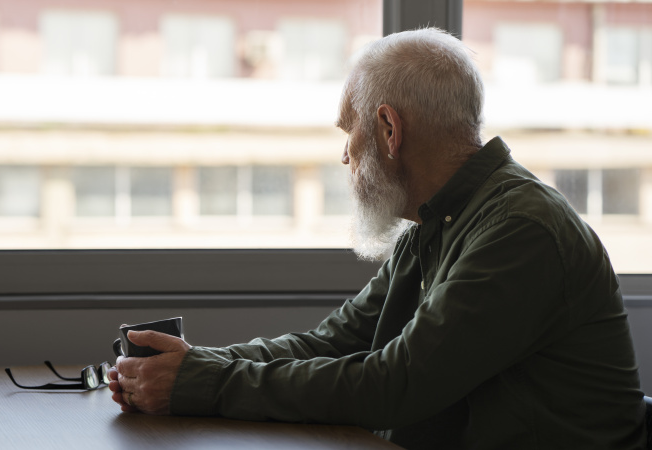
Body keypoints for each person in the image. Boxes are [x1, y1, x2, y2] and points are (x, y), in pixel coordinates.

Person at [107, 28, 648, 449]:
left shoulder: (520, 232)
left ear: (390, 130)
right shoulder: (435, 225)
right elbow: (333, 343)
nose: (345, 156)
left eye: (351, 130)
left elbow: (397, 385)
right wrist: (197, 365)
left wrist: (204, 385)